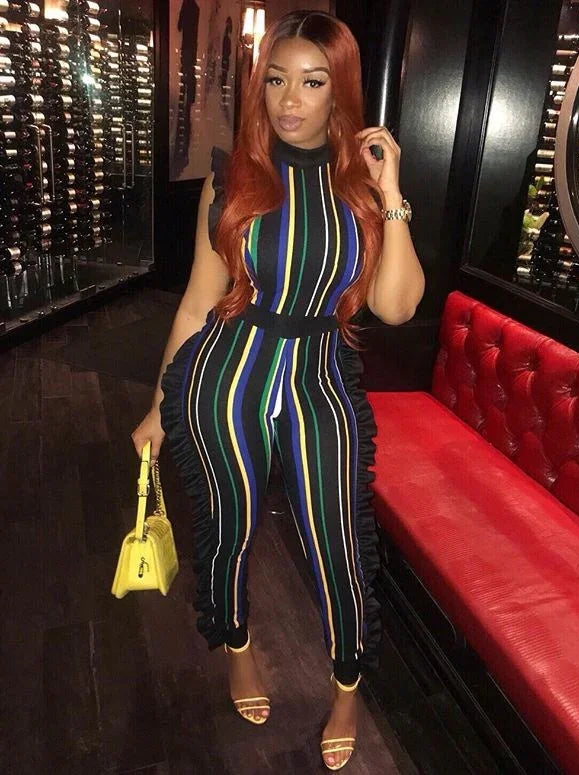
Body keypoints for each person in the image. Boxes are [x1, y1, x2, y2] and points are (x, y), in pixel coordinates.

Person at [132, 10, 424, 771]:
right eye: (277, 80)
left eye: (313, 82)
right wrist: (159, 406)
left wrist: (392, 191)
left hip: (320, 382)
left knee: (339, 545)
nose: (290, 99)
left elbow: (396, 306)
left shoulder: (360, 190)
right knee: (227, 530)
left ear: (340, 91)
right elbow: (198, 303)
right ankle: (237, 647)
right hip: (226, 377)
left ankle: (347, 685)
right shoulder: (232, 177)